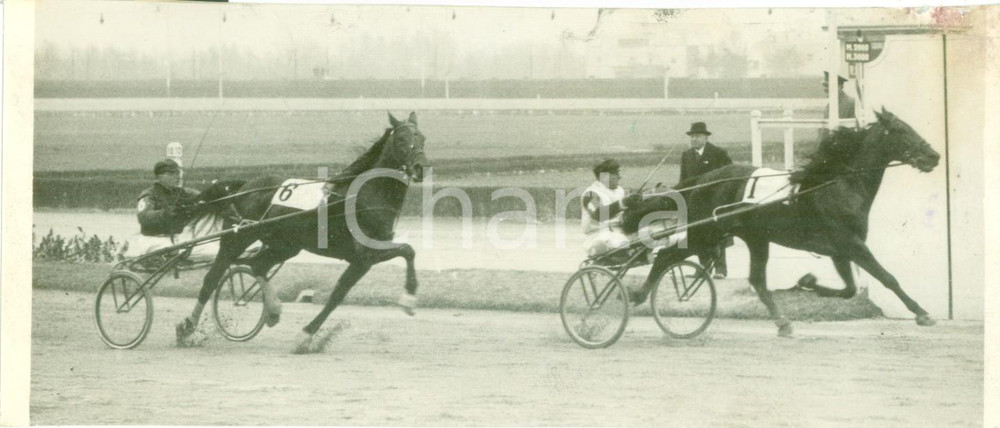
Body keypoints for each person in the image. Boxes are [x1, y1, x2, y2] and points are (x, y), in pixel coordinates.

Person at [678, 122, 731, 279]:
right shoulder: (686, 155)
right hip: (695, 202)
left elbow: (730, 175)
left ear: (706, 138)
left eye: (698, 136)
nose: (694, 139)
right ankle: (703, 268)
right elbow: (683, 180)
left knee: (718, 234)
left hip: (715, 202)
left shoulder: (719, 153)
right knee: (698, 233)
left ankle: (720, 270)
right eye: (692, 137)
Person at [581, 159, 632, 263]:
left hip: (619, 232)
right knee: (621, 241)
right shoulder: (590, 194)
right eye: (615, 173)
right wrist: (622, 204)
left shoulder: (620, 190)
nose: (619, 177)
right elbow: (597, 215)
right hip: (597, 237)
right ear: (604, 176)